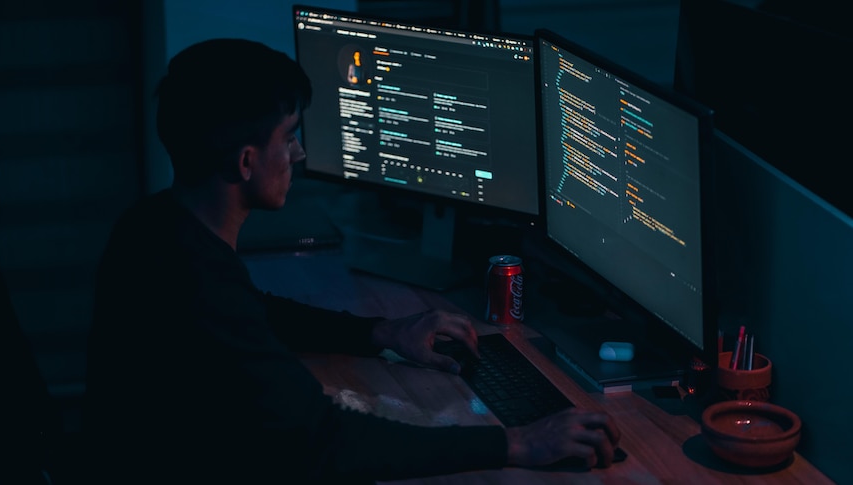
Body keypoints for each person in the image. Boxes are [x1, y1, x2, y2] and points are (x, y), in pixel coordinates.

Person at [82, 38, 621, 484]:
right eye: (289, 138)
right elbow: (323, 441)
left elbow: (254, 313)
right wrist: (517, 441)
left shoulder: (155, 227)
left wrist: (382, 332)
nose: (298, 154)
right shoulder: (198, 284)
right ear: (247, 162)